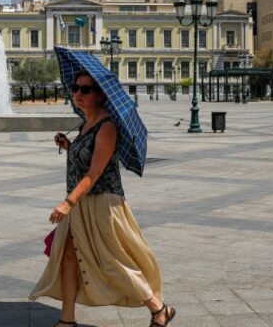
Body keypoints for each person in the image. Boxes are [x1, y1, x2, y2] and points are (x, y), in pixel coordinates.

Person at [30, 71, 175, 327]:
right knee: (68, 257)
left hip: (101, 204)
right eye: (76, 88)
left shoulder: (107, 126)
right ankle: (67, 320)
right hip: (82, 202)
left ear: (100, 95)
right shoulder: (86, 124)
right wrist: (69, 146)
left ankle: (159, 308)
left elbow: (95, 172)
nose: (78, 93)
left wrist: (67, 203)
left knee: (112, 260)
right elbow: (86, 158)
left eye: (86, 89)